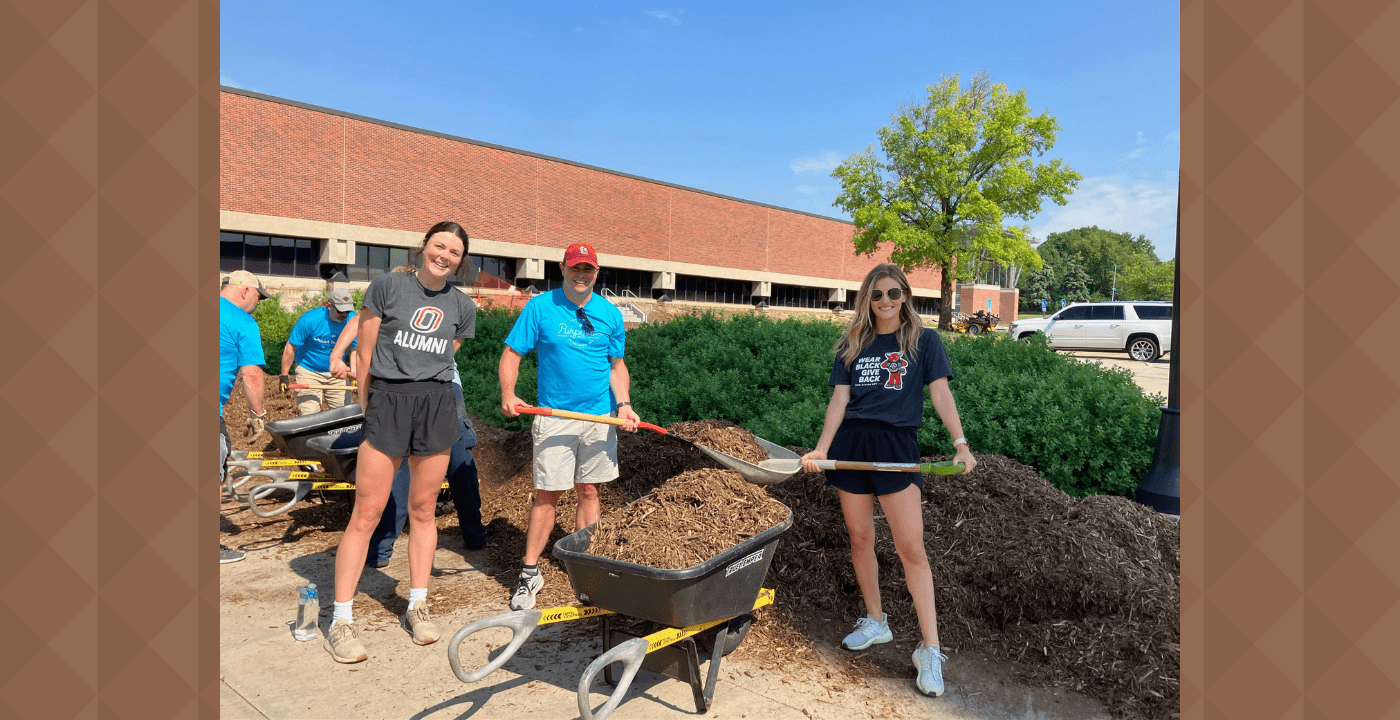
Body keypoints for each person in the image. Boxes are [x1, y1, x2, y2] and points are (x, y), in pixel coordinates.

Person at [799, 263, 977, 698]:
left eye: (893, 294)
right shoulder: (851, 343)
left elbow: (939, 392)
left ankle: (930, 649)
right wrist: (823, 450)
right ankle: (877, 621)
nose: (885, 302)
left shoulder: (924, 340)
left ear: (905, 296)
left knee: (911, 550)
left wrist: (960, 442)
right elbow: (839, 400)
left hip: (896, 447)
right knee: (860, 539)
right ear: (867, 298)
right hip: (853, 446)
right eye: (876, 295)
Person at [323, 222, 477, 664]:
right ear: (424, 246)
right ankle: (341, 619)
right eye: (438, 245)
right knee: (367, 512)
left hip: (435, 403)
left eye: (454, 251)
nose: (444, 255)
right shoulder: (388, 286)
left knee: (424, 510)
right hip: (388, 400)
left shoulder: (462, 306)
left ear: (460, 260)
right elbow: (366, 352)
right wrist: (368, 404)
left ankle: (417, 605)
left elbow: (445, 356)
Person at [499, 242, 640, 611]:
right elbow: (512, 354)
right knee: (548, 494)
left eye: (588, 269)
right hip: (554, 418)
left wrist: (624, 405)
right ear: (563, 268)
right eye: (575, 268)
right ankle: (530, 573)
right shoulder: (540, 307)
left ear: (597, 273)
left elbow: (616, 366)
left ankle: (586, 564)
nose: (581, 275)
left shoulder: (609, 313)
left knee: (589, 492)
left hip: (599, 418)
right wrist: (509, 394)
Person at [328, 266, 488, 568]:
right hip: (400, 392)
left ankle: (472, 534)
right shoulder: (389, 295)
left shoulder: (443, 300)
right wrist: (339, 357)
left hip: (442, 391)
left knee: (457, 459)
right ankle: (381, 548)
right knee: (399, 469)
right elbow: (360, 324)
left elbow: (451, 345)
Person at [219, 270, 271, 564]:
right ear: (244, 291)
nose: (258, 303)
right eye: (258, 297)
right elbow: (251, 374)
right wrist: (258, 414)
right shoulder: (242, 321)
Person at [279, 287, 357, 415]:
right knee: (309, 415)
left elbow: (355, 349)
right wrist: (284, 375)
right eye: (340, 311)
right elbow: (291, 347)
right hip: (309, 371)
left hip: (338, 373)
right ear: (329, 306)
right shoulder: (310, 320)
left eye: (347, 311)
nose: (344, 314)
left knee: (343, 415)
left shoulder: (352, 321)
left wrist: (354, 374)